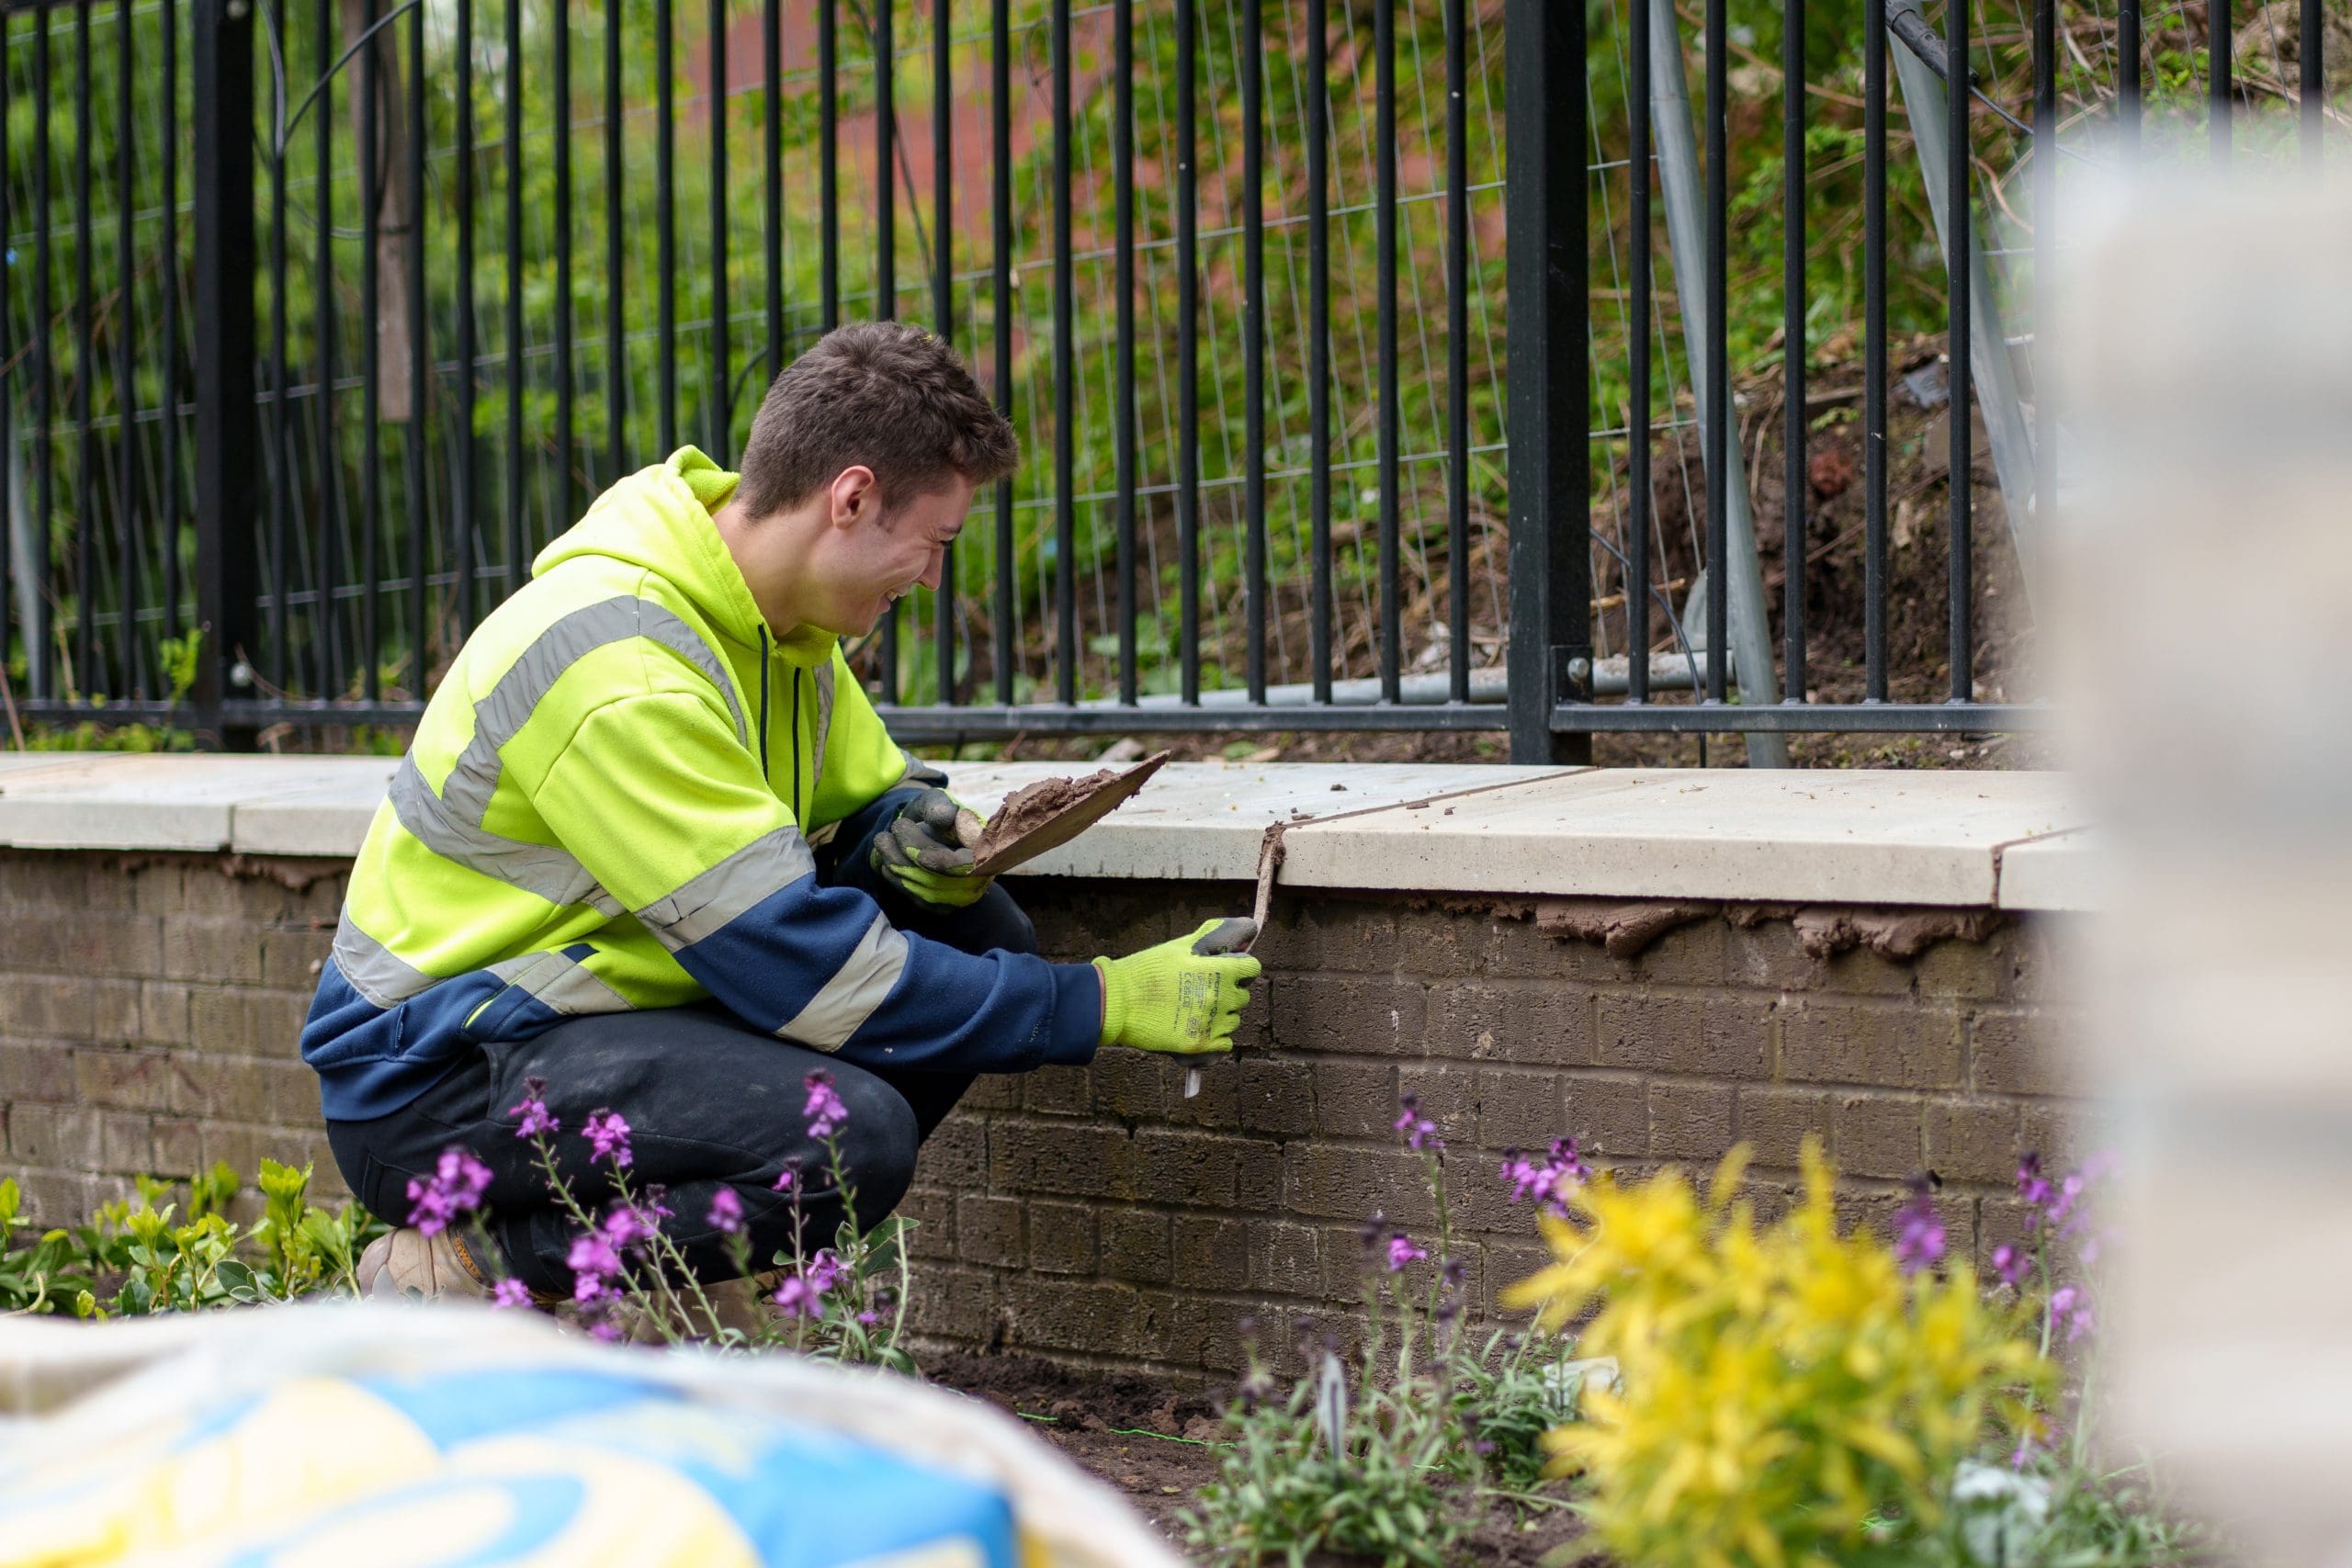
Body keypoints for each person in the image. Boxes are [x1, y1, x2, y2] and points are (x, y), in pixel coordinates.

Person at [307, 321, 1261, 1305]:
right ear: (850, 498)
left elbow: (867, 793)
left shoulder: (779, 631)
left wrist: (902, 829)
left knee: (974, 930)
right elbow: (800, 965)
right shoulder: (617, 668)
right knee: (853, 1138)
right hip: (432, 1077)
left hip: (586, 1009)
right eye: (935, 543)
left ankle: (724, 1254)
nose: (933, 579)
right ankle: (472, 1263)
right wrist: (1095, 1002)